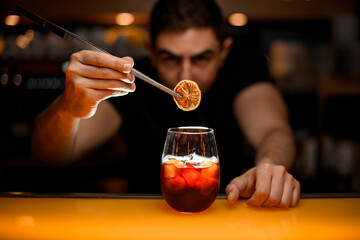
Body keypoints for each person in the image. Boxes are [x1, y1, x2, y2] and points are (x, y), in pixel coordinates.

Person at [31, 0, 300, 207]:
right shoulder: (131, 81)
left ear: (223, 52)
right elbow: (50, 157)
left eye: (201, 58)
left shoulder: (242, 70)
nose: (185, 75)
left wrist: (270, 166)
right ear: (151, 51)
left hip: (223, 216)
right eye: (170, 59)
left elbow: (273, 131)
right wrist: (68, 109)